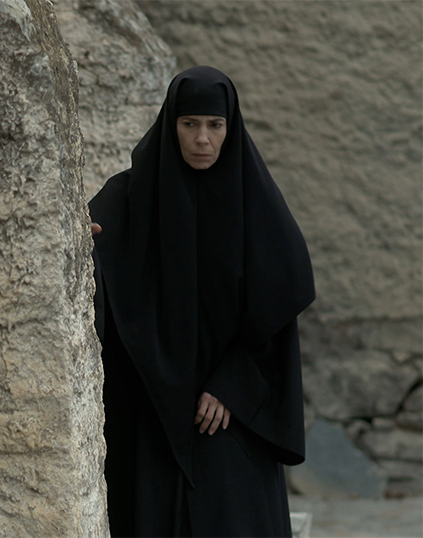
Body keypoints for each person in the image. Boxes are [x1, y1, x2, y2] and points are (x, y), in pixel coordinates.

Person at [89, 66, 315, 537]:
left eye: (215, 125)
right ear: (171, 124)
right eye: (189, 123)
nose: (202, 139)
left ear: (231, 128)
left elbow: (280, 299)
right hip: (155, 412)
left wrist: (232, 384)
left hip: (227, 414)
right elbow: (87, 259)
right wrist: (79, 245)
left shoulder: (254, 203)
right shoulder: (129, 197)